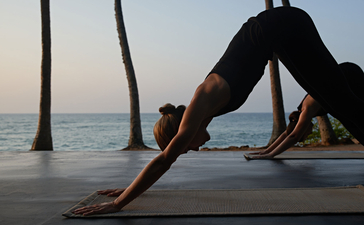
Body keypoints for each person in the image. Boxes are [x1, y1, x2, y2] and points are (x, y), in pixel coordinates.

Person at [73, 7, 364, 216]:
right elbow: (164, 159)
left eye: (186, 148)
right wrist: (127, 189)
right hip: (281, 30)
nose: (194, 150)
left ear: (181, 135)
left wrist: (118, 204)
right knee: (342, 100)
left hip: (281, 26)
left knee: (341, 102)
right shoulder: (203, 110)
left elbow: (163, 161)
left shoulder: (200, 103)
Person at [250, 62, 364, 159]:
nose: (309, 134)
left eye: (304, 136)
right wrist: (266, 151)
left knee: (352, 120)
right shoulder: (301, 112)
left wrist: (270, 155)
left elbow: (293, 136)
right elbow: (286, 133)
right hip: (346, 76)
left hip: (350, 75)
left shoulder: (307, 110)